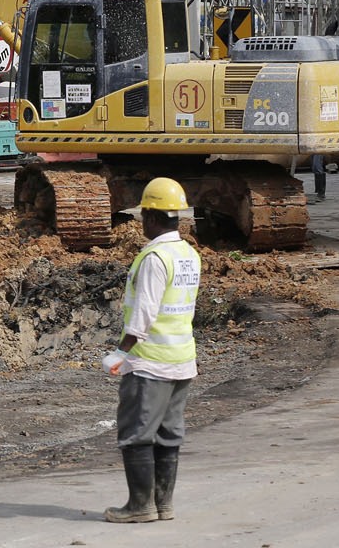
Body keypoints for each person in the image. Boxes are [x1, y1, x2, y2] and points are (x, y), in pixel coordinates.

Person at [100, 177, 200, 523]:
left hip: (151, 365)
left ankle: (140, 507)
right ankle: (163, 505)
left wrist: (121, 352)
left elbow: (143, 314)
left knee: (137, 434)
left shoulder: (155, 258)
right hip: (182, 361)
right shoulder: (188, 254)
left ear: (153, 218)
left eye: (144, 215)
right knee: (169, 435)